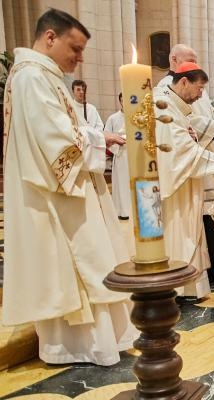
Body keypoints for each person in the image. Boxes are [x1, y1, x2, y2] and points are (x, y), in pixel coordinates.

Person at [2, 8, 137, 366]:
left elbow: (64, 129)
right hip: (57, 195)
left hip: (70, 188)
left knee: (93, 260)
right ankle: (79, 346)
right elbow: (55, 140)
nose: (79, 58)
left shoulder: (42, 76)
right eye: (74, 49)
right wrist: (95, 141)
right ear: (50, 37)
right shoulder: (32, 77)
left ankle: (101, 341)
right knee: (78, 263)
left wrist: (97, 137)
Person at [154, 62, 214, 300]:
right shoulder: (163, 103)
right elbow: (176, 146)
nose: (200, 95)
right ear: (184, 82)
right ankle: (178, 285)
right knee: (179, 229)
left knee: (190, 230)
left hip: (186, 183)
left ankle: (189, 284)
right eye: (199, 88)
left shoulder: (176, 106)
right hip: (176, 186)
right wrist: (213, 157)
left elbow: (184, 136)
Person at [105, 92, 130, 220]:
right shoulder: (113, 118)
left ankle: (133, 211)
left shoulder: (135, 117)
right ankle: (122, 211)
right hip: (120, 155)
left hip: (132, 156)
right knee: (122, 185)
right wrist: (117, 144)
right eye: (123, 99)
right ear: (120, 101)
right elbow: (106, 136)